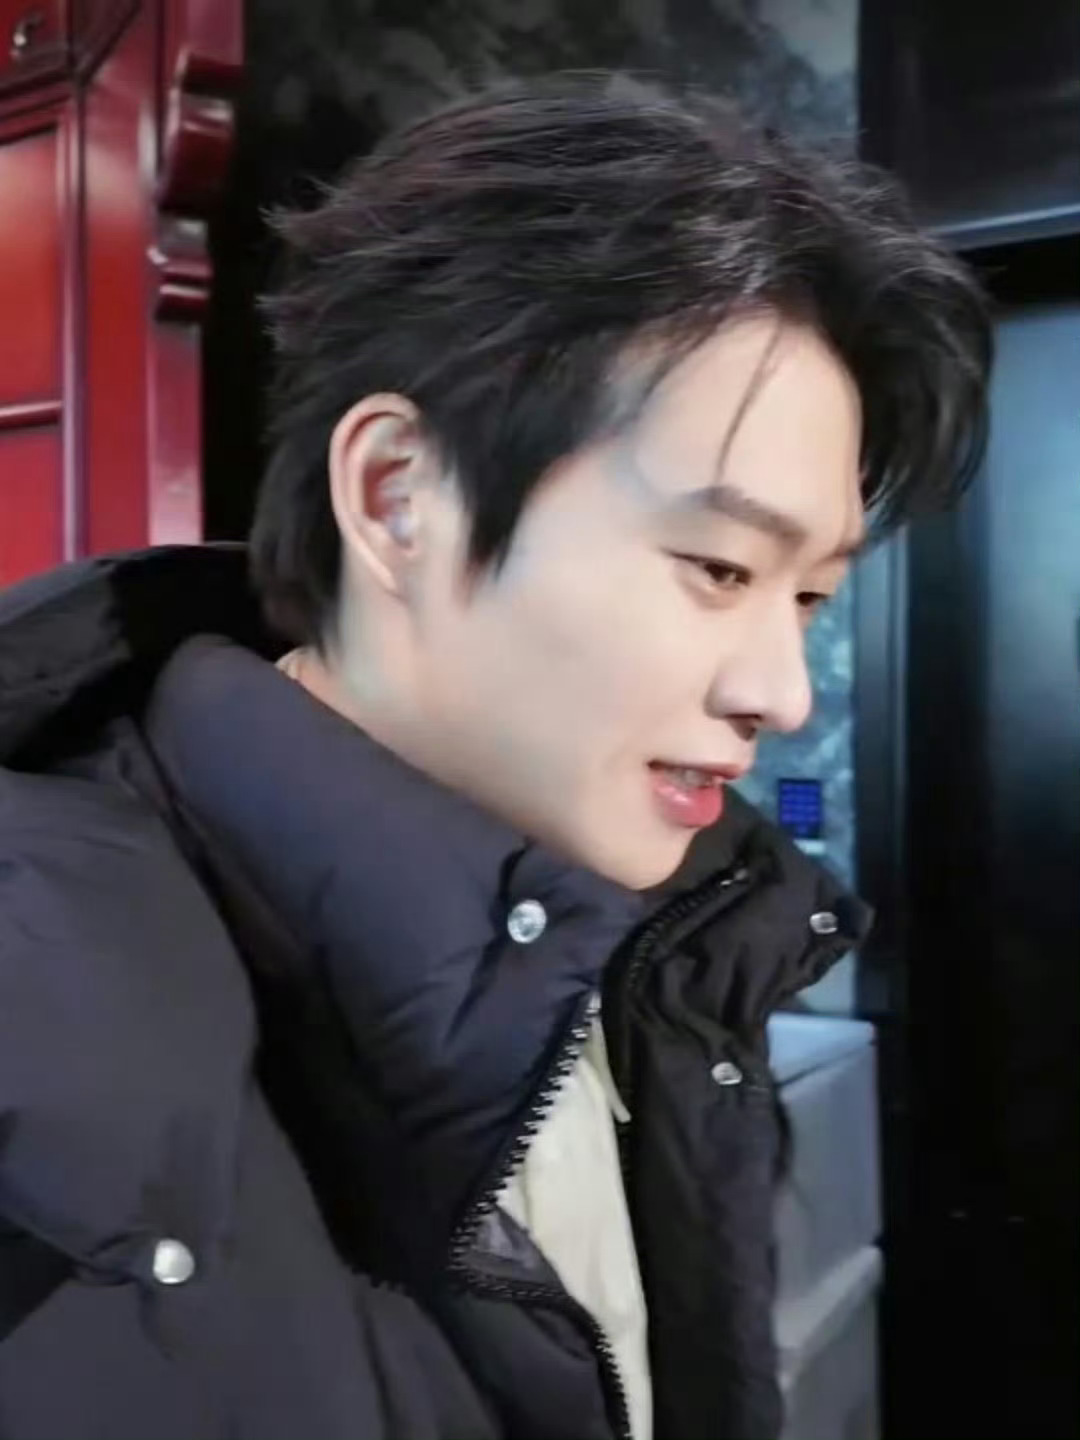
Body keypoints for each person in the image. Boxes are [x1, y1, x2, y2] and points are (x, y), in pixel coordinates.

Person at [0, 74, 989, 1440]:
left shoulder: (671, 943)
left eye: (810, 595)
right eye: (718, 566)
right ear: (399, 497)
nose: (780, 692)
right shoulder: (36, 1028)